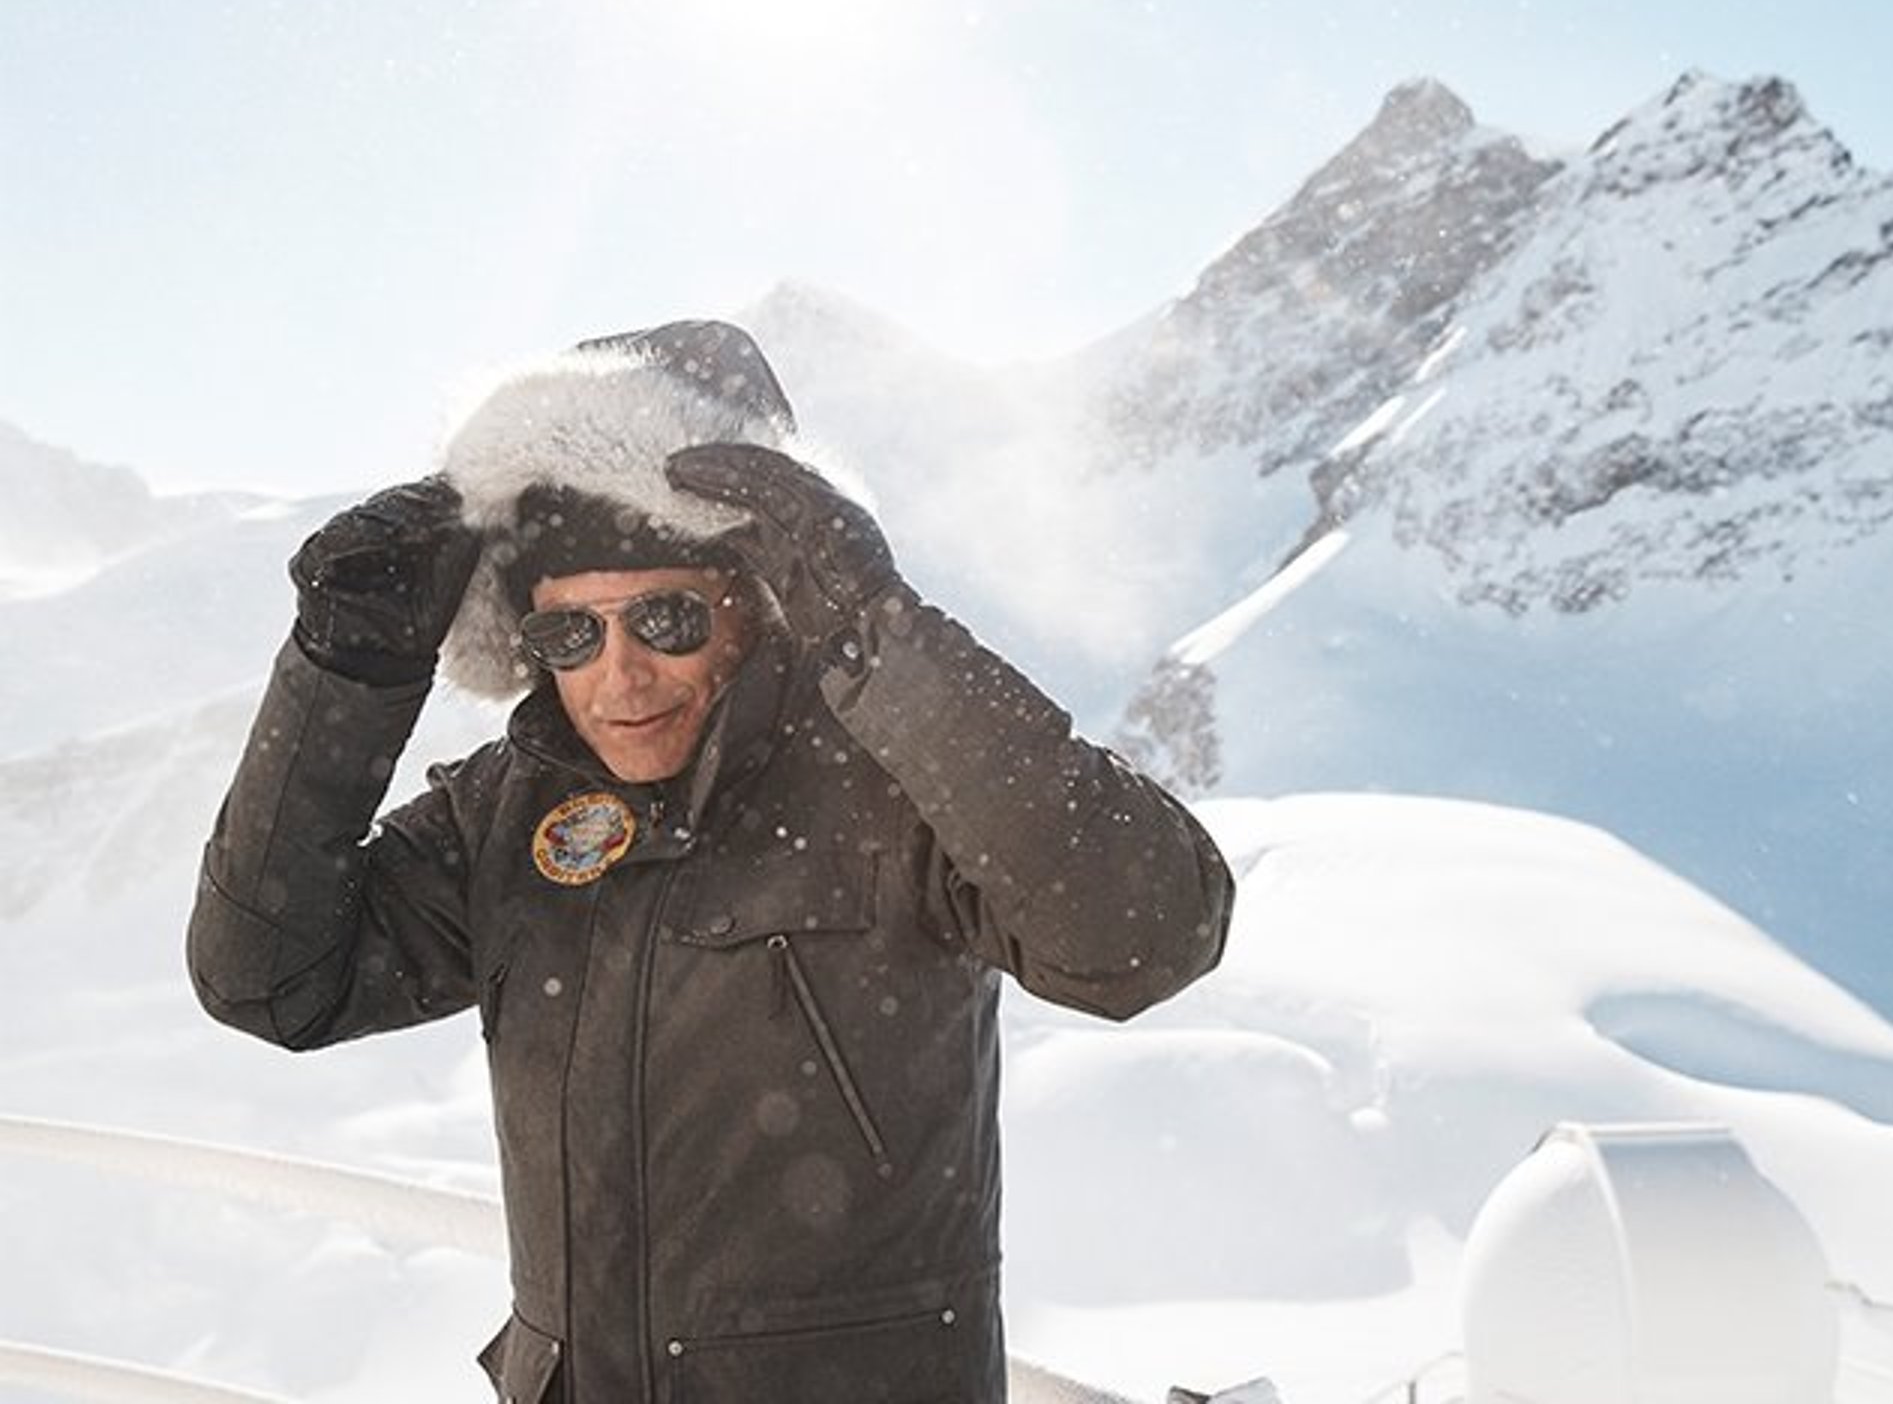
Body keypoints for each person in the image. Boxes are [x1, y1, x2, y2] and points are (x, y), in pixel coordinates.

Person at [187, 319, 1234, 1403]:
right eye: (569, 637)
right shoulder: (507, 812)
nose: (619, 677)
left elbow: (1148, 934)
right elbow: (268, 980)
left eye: (667, 616)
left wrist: (883, 637)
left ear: (759, 597)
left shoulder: (895, 781)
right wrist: (345, 671)